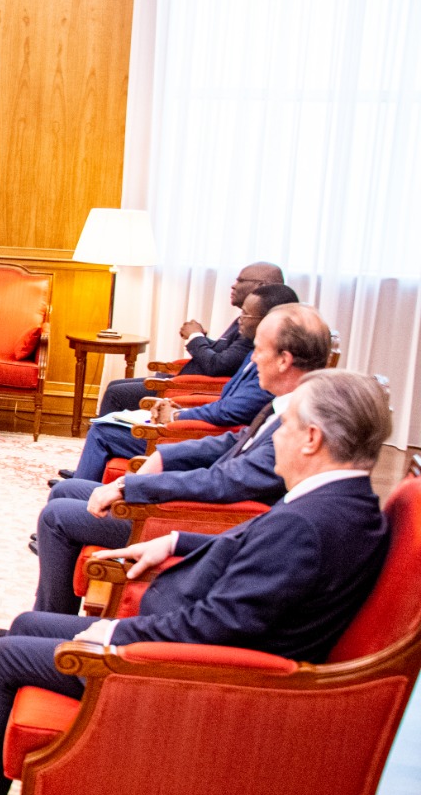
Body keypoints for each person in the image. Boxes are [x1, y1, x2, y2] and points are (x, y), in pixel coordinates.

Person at [0, 368, 392, 795]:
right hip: (188, 639)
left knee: (5, 655)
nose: (275, 435)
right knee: (25, 626)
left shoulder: (305, 526)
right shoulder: (343, 504)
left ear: (312, 439)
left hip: (181, 673)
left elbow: (212, 631)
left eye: (286, 424)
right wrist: (171, 542)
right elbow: (249, 549)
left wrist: (108, 635)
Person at [32, 303, 332, 613]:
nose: (252, 359)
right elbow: (233, 441)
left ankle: (50, 625)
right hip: (199, 504)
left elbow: (225, 482)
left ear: (284, 360)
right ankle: (50, 620)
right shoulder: (286, 405)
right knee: (66, 490)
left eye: (258, 351)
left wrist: (129, 487)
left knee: (57, 516)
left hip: (196, 519)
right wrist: (164, 455)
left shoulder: (298, 425)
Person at [64, 285, 299, 484]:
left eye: (246, 315)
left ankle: (83, 487)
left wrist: (178, 416)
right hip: (202, 422)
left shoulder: (269, 367)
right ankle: (83, 485)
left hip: (201, 437)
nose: (240, 319)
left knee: (103, 430)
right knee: (114, 405)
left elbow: (228, 402)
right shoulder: (256, 352)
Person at [94, 261, 285, 415]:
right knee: (115, 385)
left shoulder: (259, 326)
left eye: (241, 280)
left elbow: (219, 365)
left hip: (192, 387)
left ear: (260, 286)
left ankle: (108, 441)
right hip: (187, 379)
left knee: (115, 393)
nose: (233, 285)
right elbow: (227, 353)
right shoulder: (246, 320)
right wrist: (201, 338)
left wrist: (195, 337)